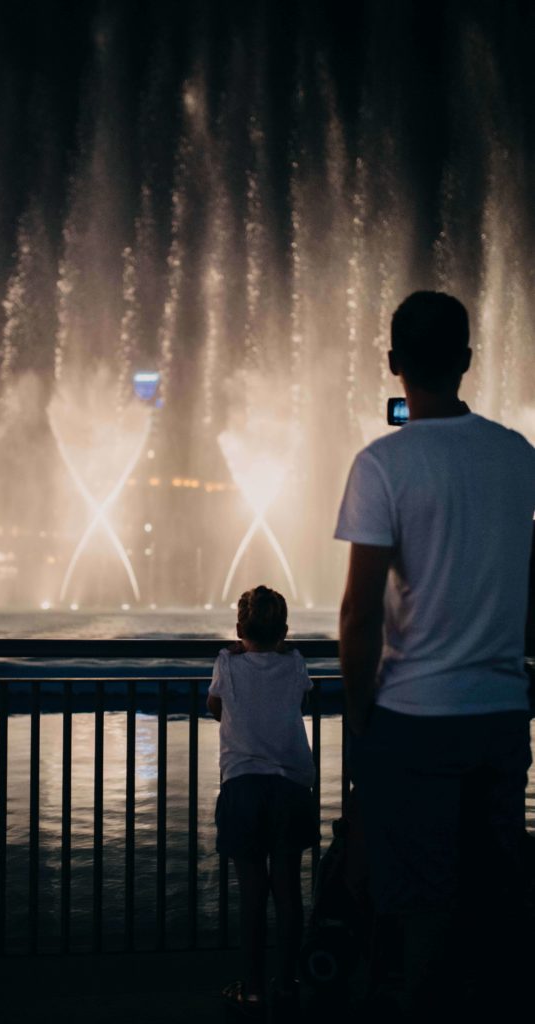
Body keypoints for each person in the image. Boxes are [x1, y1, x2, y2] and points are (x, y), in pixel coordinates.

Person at [334, 290, 535, 1018]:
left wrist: (361, 719)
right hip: (501, 716)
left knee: (414, 917)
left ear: (392, 364)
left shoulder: (383, 464)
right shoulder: (518, 456)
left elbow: (359, 614)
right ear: (467, 361)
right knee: (492, 907)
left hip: (414, 718)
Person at [207, 585, 318, 1019]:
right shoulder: (294, 663)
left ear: (238, 629)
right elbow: (300, 698)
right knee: (289, 891)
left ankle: (252, 989)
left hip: (243, 788)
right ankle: (288, 983)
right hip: (291, 787)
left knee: (252, 894)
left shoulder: (226, 663)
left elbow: (216, 708)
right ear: (285, 632)